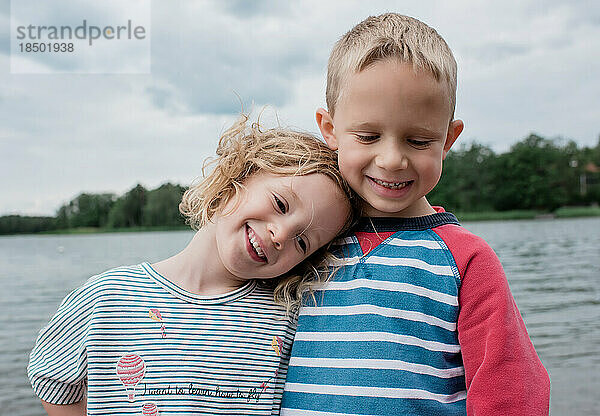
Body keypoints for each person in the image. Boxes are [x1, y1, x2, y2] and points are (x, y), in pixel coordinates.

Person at [281, 13, 550, 416]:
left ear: (448, 140)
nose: (391, 160)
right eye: (368, 136)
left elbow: (510, 390)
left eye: (419, 140)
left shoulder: (465, 260)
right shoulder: (306, 240)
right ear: (330, 128)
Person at [28, 114, 356, 416]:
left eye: (302, 242)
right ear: (238, 176)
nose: (281, 234)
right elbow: (52, 380)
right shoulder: (105, 299)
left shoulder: (286, 320)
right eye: (280, 203)